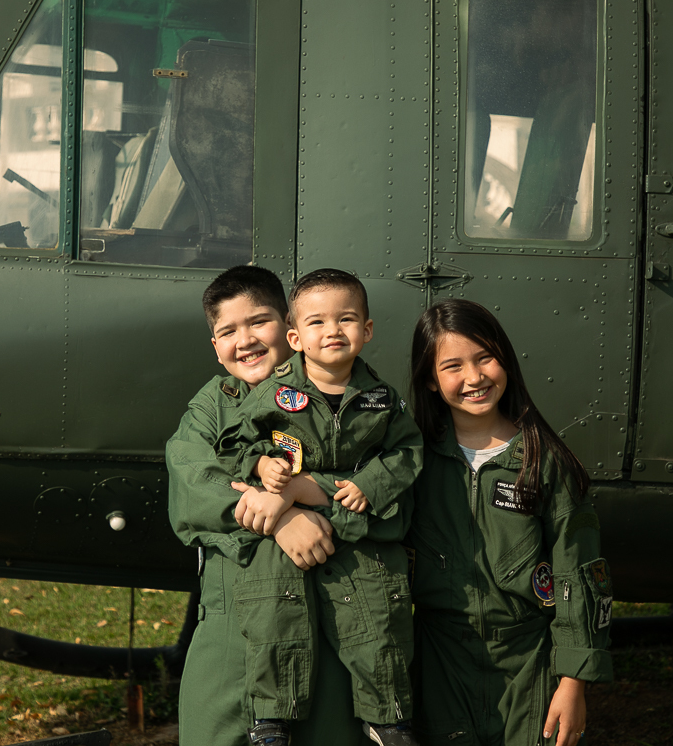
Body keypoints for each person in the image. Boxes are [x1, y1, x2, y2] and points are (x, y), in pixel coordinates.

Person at [165, 265, 380, 746]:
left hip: (329, 618)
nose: (245, 341)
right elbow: (193, 485)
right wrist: (282, 517)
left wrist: (309, 492)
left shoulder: (350, 400)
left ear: (289, 328)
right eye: (228, 332)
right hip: (233, 631)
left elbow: (384, 490)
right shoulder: (210, 410)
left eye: (258, 322)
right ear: (215, 347)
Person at [219, 268, 422, 746]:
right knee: (275, 620)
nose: (332, 331)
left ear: (366, 330)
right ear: (295, 338)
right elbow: (233, 444)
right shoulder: (274, 393)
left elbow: (408, 451)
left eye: (346, 319)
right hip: (284, 542)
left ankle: (388, 720)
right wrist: (261, 463)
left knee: (380, 625)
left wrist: (370, 483)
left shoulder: (382, 400)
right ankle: (272, 719)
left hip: (360, 532)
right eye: (317, 322)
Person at [407, 299, 612, 746]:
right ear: (430, 379)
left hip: (528, 662)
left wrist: (573, 681)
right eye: (453, 366)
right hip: (439, 663)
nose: (474, 377)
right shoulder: (412, 463)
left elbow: (578, 573)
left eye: (485, 358)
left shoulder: (544, 461)